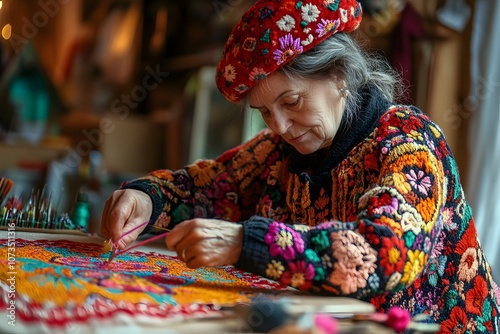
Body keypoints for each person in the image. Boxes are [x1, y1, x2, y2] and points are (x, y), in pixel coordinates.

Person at [100, 0, 500, 332]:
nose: (280, 126)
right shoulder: (280, 153)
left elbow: (385, 254)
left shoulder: (409, 143)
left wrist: (246, 244)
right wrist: (146, 199)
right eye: (265, 113)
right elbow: (212, 187)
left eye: (291, 102)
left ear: (340, 75)